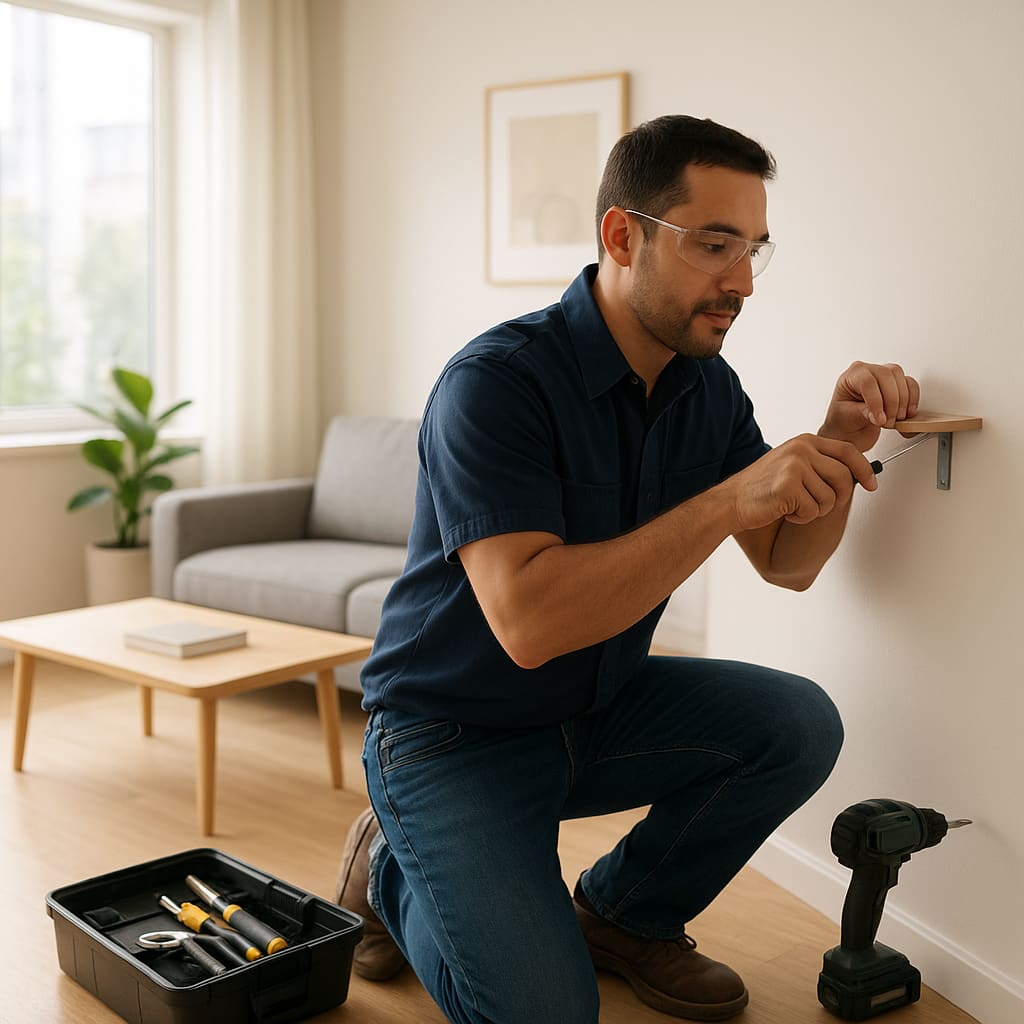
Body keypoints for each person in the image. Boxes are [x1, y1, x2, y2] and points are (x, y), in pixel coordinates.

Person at [335, 115, 920, 1024]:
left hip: (593, 710)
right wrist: (729, 501)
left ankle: (622, 915)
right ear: (622, 235)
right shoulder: (496, 385)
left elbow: (788, 562)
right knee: (543, 1014)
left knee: (796, 723)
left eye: (754, 249)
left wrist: (842, 441)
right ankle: (391, 868)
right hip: (450, 734)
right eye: (715, 244)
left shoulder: (706, 387)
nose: (740, 282)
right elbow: (528, 625)